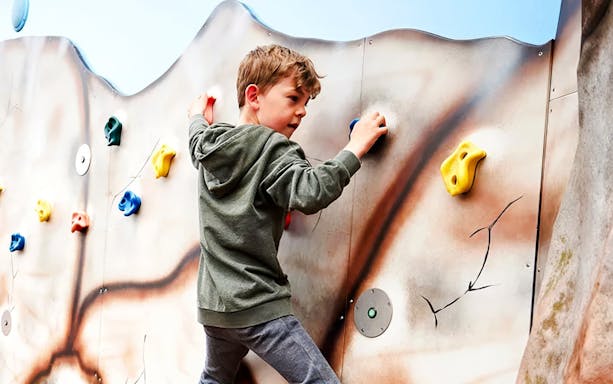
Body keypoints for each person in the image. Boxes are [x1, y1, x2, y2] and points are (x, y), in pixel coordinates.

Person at [188, 44, 387, 384]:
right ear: (255, 97)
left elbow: (196, 139)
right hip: (257, 306)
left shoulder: (210, 144)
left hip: (214, 310)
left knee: (214, 380)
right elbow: (310, 190)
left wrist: (196, 115)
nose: (303, 112)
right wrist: (355, 147)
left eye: (306, 103)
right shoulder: (274, 148)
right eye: (294, 99)